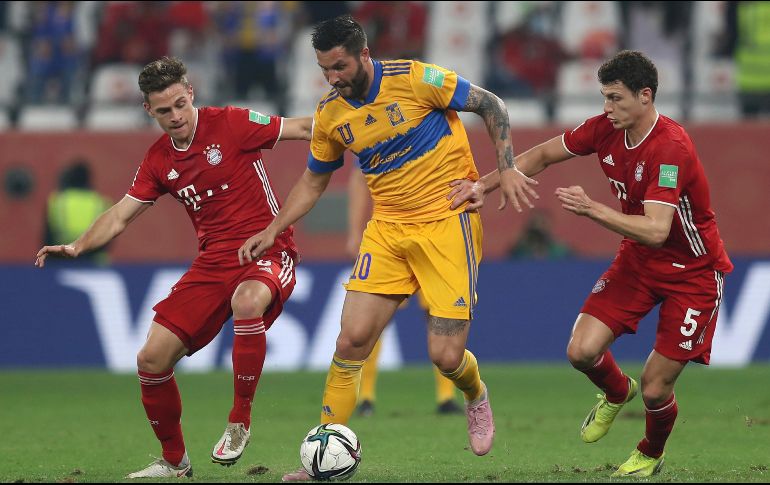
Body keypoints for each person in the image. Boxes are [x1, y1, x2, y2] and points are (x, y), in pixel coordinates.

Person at [237, 14, 538, 481]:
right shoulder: (330, 114)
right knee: (351, 339)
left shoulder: (417, 79)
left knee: (446, 357)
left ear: (363, 56)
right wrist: (274, 227)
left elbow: (491, 104)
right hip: (389, 229)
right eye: (324, 70)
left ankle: (475, 392)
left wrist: (508, 168)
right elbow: (315, 180)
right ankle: (322, 455)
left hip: (446, 223)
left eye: (339, 66)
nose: (333, 78)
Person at [449, 50, 733, 478]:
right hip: (638, 262)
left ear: (645, 95)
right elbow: (542, 155)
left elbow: (657, 230)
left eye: (616, 98)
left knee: (657, 389)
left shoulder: (670, 148)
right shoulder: (605, 129)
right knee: (581, 352)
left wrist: (591, 209)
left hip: (692, 273)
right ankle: (617, 392)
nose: (607, 108)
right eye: (604, 97)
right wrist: (483, 186)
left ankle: (649, 454)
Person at [35, 56, 312, 479]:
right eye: (164, 110)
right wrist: (77, 246)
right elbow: (121, 215)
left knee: (247, 300)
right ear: (148, 109)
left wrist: (357, 120)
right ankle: (174, 461)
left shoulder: (233, 123)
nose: (176, 116)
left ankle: (239, 421)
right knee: (151, 359)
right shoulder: (158, 160)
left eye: (180, 104)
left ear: (191, 93)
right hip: (212, 262)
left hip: (267, 248)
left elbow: (304, 128)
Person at [346, 170, 462, 417]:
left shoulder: (435, 135)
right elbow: (359, 177)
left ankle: (446, 396)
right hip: (392, 238)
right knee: (376, 318)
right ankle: (365, 396)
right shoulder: (378, 134)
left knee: (439, 314)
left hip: (435, 237)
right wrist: (355, 231)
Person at [44, 160, 112, 265]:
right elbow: (108, 238)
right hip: (93, 261)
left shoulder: (57, 201)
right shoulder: (101, 203)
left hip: (62, 258)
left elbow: (47, 236)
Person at [507, 208, 573, 260]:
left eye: (543, 223)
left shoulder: (560, 251)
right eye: (534, 223)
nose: (538, 227)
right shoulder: (519, 251)